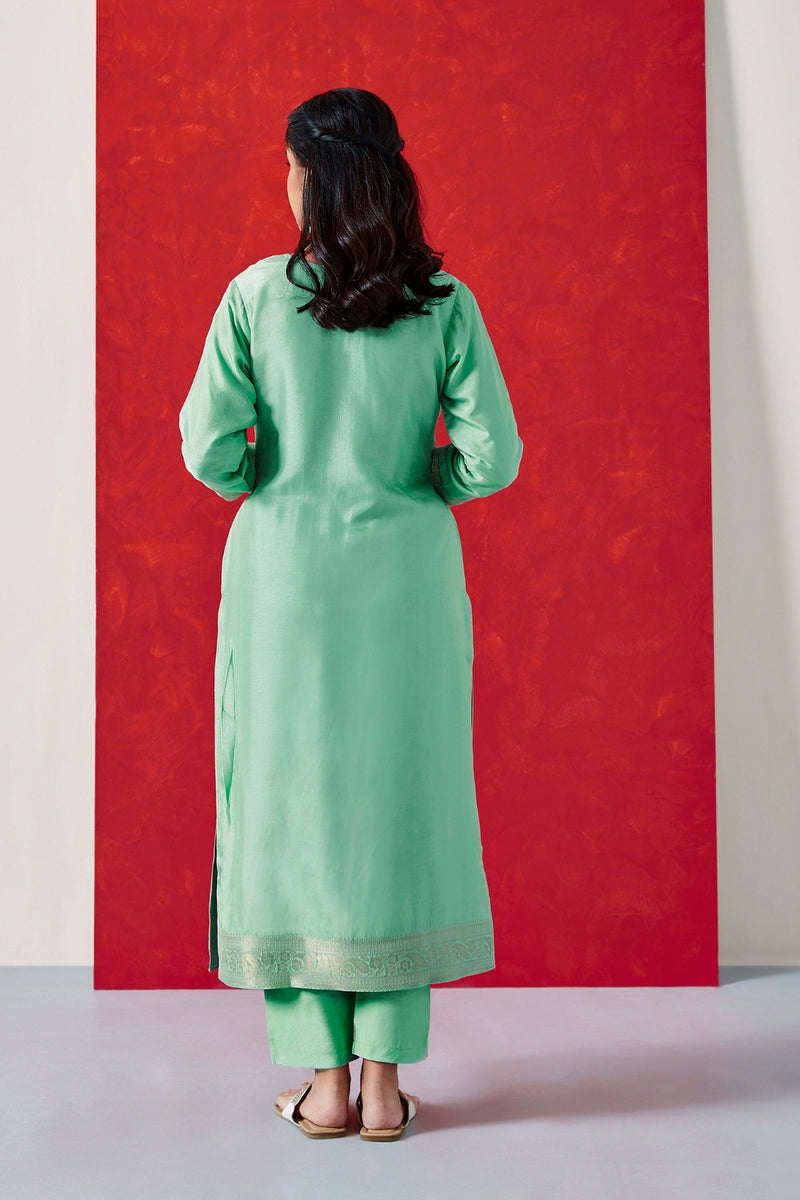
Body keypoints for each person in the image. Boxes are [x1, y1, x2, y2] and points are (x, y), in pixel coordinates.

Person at [178, 87, 523, 1141]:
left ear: (307, 176)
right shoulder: (444, 302)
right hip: (406, 586)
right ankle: (382, 1086)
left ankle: (321, 1084)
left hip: (285, 584)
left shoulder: (255, 295)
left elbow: (206, 447)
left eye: (287, 166)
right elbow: (493, 458)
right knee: (394, 810)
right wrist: (414, 485)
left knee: (290, 810)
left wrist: (268, 478)